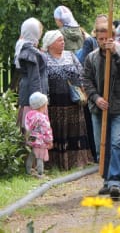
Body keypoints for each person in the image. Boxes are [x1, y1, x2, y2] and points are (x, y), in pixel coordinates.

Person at [82, 22, 120, 198]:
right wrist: (96, 98)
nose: (103, 42)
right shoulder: (91, 57)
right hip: (99, 109)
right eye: (100, 39)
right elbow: (86, 80)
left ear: (112, 37)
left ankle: (115, 182)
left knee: (117, 143)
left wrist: (116, 55)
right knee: (102, 146)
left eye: (106, 39)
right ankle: (107, 180)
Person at [42, 30, 92, 170]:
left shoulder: (71, 55)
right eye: (59, 40)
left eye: (63, 40)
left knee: (74, 131)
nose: (63, 42)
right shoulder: (44, 58)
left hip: (73, 102)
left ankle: (76, 161)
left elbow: (81, 73)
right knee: (57, 130)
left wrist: (83, 91)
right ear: (50, 44)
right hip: (55, 105)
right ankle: (56, 163)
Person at [15, 18, 48, 132]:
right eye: (39, 31)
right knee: (35, 134)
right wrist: (38, 105)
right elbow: (34, 79)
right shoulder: (30, 52)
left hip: (30, 95)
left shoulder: (25, 48)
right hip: (33, 98)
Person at [25, 92, 53, 178]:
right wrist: (49, 141)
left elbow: (27, 127)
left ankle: (28, 170)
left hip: (31, 138)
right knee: (40, 156)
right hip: (40, 140)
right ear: (42, 106)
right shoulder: (42, 117)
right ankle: (40, 173)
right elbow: (46, 130)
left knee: (32, 153)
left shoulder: (29, 115)